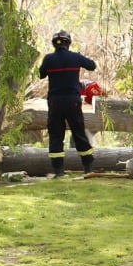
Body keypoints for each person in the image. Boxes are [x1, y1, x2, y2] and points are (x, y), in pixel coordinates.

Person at [38, 30, 97, 177]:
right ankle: (88, 167)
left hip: (55, 103)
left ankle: (58, 171)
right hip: (73, 103)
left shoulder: (48, 59)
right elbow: (92, 66)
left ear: (54, 44)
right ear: (68, 43)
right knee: (79, 133)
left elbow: (41, 74)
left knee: (56, 135)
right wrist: (77, 59)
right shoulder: (75, 57)